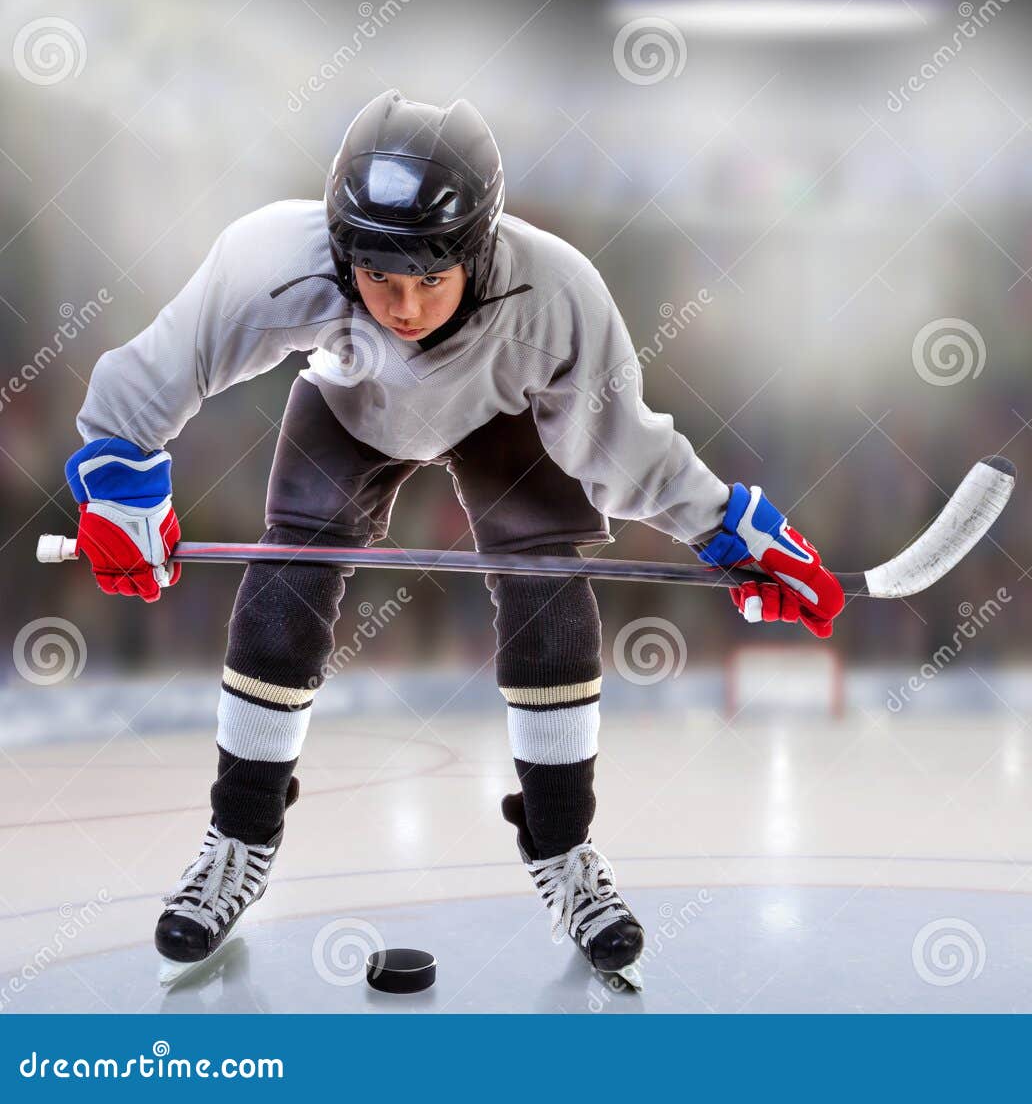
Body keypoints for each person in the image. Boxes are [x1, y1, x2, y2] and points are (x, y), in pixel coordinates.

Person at [65, 90, 845, 987]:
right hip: (351, 411)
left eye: (430, 279)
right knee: (288, 578)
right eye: (379, 278)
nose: (404, 307)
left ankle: (564, 851)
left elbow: (623, 449)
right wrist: (118, 475)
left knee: (547, 587)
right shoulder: (275, 258)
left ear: (478, 249)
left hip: (504, 421)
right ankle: (238, 839)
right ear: (338, 246)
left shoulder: (557, 294)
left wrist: (727, 527)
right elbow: (157, 369)